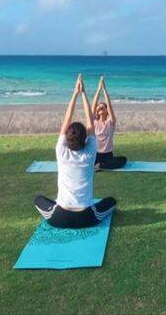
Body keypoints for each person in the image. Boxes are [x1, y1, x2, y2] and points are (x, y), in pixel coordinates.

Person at [34, 74, 116, 228]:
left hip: (60, 217)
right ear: (85, 138)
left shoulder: (61, 150)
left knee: (38, 199)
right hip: (86, 217)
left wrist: (75, 93)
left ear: (66, 137)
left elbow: (67, 119)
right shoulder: (91, 151)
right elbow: (90, 121)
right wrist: (83, 93)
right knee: (111, 201)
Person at [91, 75, 127, 170]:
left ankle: (101, 166)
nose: (100, 108)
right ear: (97, 111)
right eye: (99, 107)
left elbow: (110, 106)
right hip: (96, 154)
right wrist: (99, 89)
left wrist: (104, 90)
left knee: (123, 159)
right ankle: (100, 165)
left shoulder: (110, 122)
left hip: (108, 155)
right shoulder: (94, 122)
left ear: (107, 110)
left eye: (102, 107)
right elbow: (93, 106)